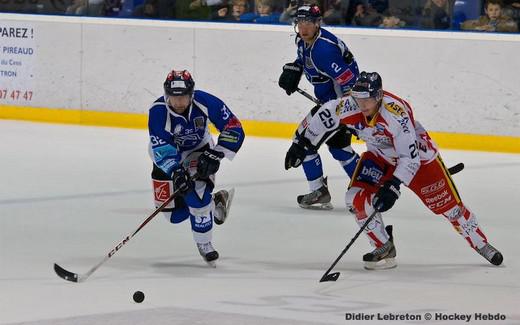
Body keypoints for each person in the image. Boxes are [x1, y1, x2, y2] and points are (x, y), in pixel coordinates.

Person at [285, 71, 504, 269]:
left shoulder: (396, 114)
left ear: (378, 96)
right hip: (380, 157)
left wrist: (393, 186)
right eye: (358, 98)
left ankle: (481, 244)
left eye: (367, 99)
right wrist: (302, 143)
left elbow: (409, 157)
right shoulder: (349, 105)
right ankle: (383, 247)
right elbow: (325, 114)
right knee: (356, 199)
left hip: (420, 160)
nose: (362, 104)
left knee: (450, 209)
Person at [148, 69, 245, 266]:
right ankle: (216, 201)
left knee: (197, 196)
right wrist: (175, 171)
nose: (179, 103)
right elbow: (161, 146)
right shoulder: (158, 111)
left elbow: (234, 127)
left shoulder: (205, 102)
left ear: (191, 94)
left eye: (183, 97)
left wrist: (216, 153)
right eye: (174, 98)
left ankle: (205, 244)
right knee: (172, 216)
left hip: (199, 152)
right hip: (166, 157)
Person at [278, 4, 360, 210]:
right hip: (330, 105)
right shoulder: (303, 40)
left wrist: (349, 116)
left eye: (308, 23)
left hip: (338, 107)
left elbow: (349, 83)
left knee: (302, 143)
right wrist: (296, 66)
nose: (303, 28)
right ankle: (364, 187)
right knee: (340, 148)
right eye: (300, 23)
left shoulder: (324, 50)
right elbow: (304, 58)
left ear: (318, 23)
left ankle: (319, 190)